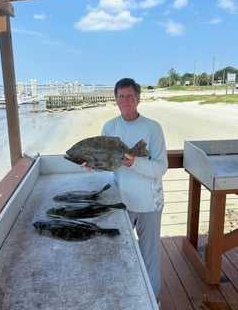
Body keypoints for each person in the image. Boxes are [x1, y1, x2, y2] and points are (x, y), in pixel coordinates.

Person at [101, 78, 168, 309]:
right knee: (119, 252)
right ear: (115, 100)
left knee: (149, 255)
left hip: (150, 202)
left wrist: (134, 163)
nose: (126, 100)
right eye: (121, 96)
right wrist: (92, 163)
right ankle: (125, 298)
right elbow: (106, 162)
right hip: (122, 202)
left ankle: (153, 300)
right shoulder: (109, 127)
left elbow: (161, 167)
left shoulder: (153, 128)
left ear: (138, 98)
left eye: (130, 96)